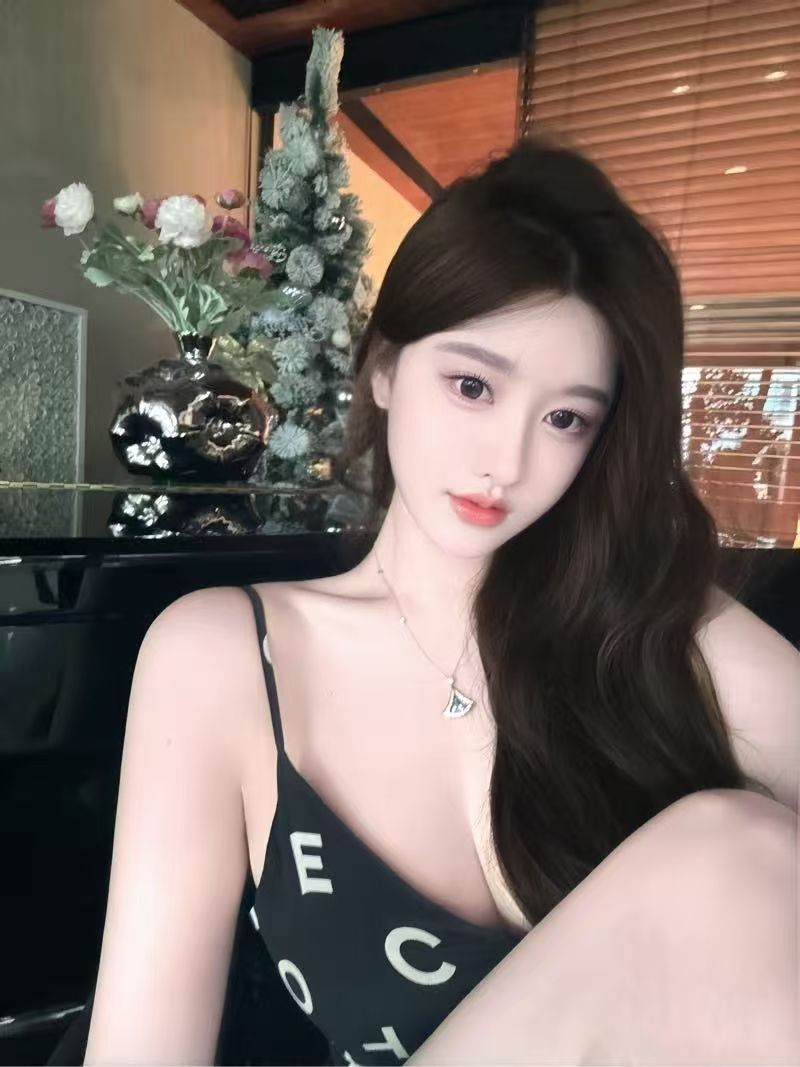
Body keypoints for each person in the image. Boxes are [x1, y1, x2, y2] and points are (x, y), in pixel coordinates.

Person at [84, 133, 799, 1066]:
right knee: (731, 851)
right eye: (472, 385)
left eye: (565, 418)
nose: (508, 460)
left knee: (741, 858)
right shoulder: (224, 657)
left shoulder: (660, 629)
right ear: (385, 365)